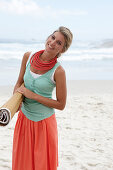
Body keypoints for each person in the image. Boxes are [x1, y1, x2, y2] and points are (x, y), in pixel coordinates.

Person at [12, 26, 73, 170]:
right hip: (24, 120)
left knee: (42, 165)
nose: (52, 43)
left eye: (59, 43)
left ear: (62, 50)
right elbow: (19, 83)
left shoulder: (59, 71)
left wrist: (32, 95)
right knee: (22, 164)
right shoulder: (28, 56)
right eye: (52, 37)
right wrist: (15, 102)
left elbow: (61, 104)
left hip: (44, 125)